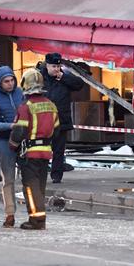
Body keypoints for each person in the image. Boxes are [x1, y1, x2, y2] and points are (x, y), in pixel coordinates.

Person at [10, 69, 59, 230]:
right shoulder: (51, 105)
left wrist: (13, 146)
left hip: (30, 153)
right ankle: (39, 218)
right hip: (46, 151)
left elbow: (19, 131)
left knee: (30, 187)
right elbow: (57, 129)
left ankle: (36, 219)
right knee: (40, 186)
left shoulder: (26, 107)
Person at [0, 66, 24, 227]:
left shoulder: (21, 93)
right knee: (8, 179)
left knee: (29, 178)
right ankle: (10, 214)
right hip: (4, 142)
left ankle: (34, 213)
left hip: (23, 140)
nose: (9, 84)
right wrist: (10, 126)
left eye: (11, 80)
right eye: (5, 81)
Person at [39, 53, 84, 183]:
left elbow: (79, 84)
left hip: (61, 120)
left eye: (58, 66)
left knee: (58, 150)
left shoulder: (64, 77)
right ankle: (41, 173)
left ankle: (56, 176)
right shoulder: (39, 77)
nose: (56, 69)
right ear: (47, 65)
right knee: (42, 149)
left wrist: (63, 77)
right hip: (43, 120)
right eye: (53, 66)